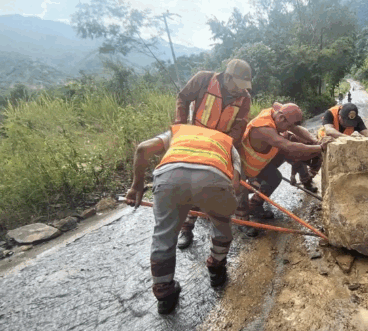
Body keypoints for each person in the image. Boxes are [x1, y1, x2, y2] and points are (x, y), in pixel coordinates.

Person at [125, 124, 242, 314]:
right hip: (213, 179)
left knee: (163, 235)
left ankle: (164, 294)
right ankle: (216, 269)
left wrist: (136, 186)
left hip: (169, 178)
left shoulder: (179, 131)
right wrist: (218, 206)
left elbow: (142, 149)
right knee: (222, 224)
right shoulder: (228, 143)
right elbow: (235, 185)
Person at [174, 59, 252, 249]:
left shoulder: (245, 98)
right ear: (227, 77)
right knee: (192, 184)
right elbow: (183, 98)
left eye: (244, 87)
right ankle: (186, 227)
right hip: (197, 138)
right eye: (238, 85)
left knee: (236, 176)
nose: (241, 90)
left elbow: (239, 126)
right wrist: (181, 125)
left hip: (222, 143)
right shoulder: (203, 79)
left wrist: (224, 144)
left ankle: (238, 216)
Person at [236, 102, 331, 232]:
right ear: (281, 118)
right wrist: (319, 148)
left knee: (275, 177)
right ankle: (242, 222)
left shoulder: (277, 113)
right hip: (243, 166)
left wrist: (315, 142)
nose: (288, 129)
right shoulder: (264, 128)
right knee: (240, 192)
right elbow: (288, 146)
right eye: (288, 125)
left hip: (258, 165)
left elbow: (296, 129)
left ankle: (254, 206)